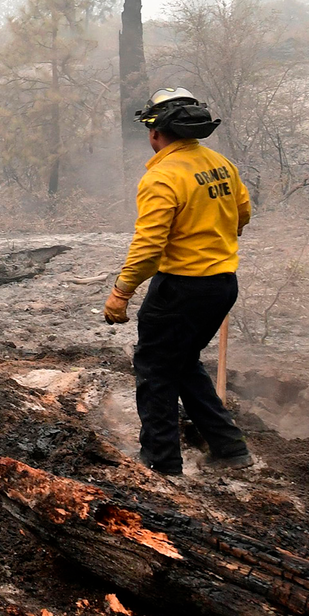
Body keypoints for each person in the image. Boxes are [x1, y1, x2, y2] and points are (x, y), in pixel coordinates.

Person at [103, 89, 254, 476]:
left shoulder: (162, 176)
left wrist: (121, 292)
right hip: (222, 285)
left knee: (155, 368)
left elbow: (149, 247)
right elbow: (242, 215)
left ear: (155, 133)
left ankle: (161, 462)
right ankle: (230, 447)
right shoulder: (220, 164)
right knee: (183, 361)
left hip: (181, 290)